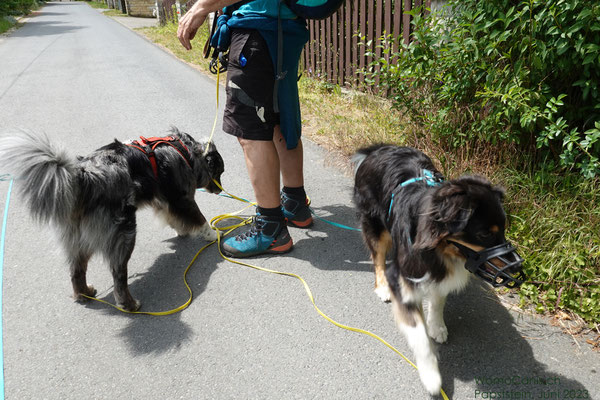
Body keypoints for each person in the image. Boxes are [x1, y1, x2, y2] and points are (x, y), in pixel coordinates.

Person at [177, 0, 312, 258]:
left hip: (258, 32)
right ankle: (295, 204)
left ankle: (271, 229)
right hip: (284, 27)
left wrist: (199, 8)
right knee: (278, 118)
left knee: (250, 130)